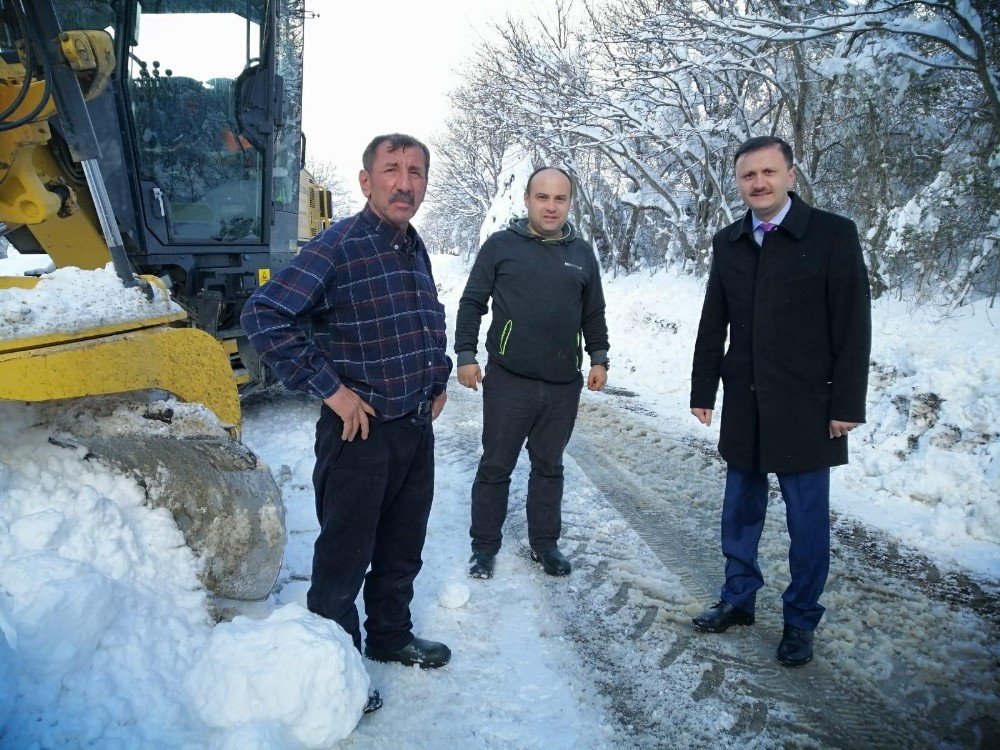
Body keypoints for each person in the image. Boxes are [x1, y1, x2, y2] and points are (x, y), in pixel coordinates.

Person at [241, 134, 452, 712]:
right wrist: (331, 390)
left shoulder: (411, 244)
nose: (405, 183)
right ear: (366, 181)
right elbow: (265, 315)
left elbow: (422, 317)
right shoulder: (338, 246)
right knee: (343, 561)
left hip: (413, 429)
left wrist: (437, 377)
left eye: (415, 171)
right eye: (392, 169)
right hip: (360, 436)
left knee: (402, 548)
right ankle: (334, 677)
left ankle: (389, 635)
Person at [689, 135, 871, 667]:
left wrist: (846, 404)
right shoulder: (729, 241)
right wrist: (703, 389)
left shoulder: (833, 234)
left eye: (769, 172)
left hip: (808, 404)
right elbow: (713, 320)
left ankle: (800, 619)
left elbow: (853, 324)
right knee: (740, 512)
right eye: (749, 175)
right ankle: (738, 598)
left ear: (791, 175)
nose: (759, 183)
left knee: (806, 522)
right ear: (738, 182)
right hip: (745, 400)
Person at [455, 166, 610, 580]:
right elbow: (472, 302)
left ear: (570, 203)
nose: (551, 206)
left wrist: (599, 357)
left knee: (549, 466)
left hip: (562, 384)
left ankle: (545, 544)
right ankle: (484, 547)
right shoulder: (501, 246)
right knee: (496, 466)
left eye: (560, 198)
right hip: (509, 381)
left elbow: (593, 312)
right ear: (527, 199)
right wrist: (466, 354)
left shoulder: (582, 254)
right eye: (543, 197)